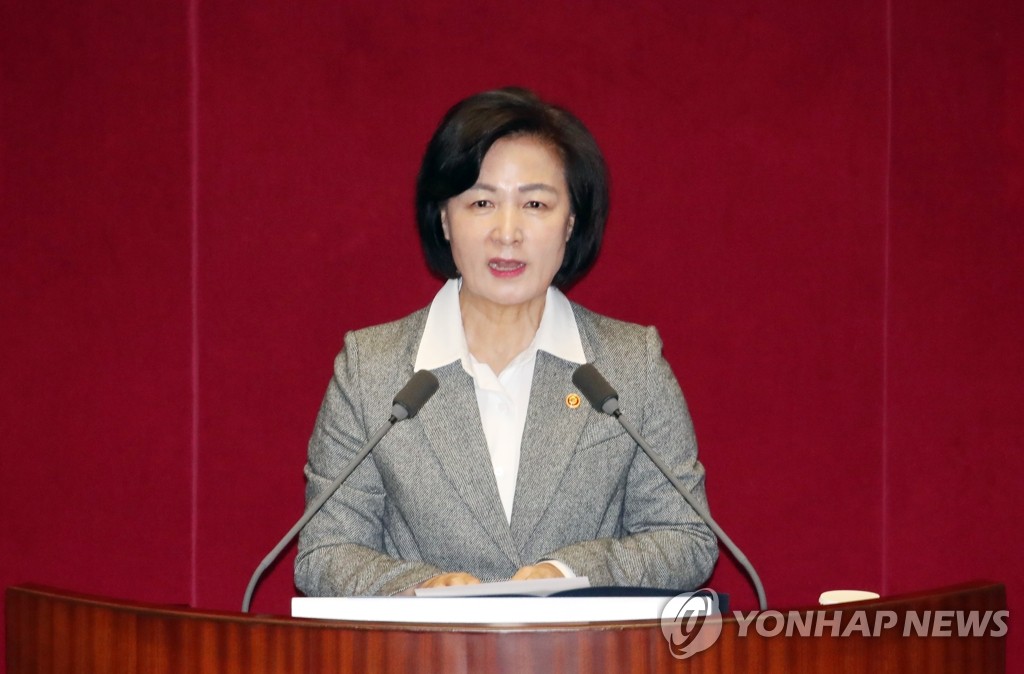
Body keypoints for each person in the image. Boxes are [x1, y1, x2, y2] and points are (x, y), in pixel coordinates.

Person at [294, 87, 718, 597]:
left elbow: (686, 537)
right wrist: (421, 589)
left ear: (571, 221)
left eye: (535, 204)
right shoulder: (371, 370)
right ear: (445, 218)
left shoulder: (629, 366)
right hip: (424, 643)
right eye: (482, 203)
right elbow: (325, 550)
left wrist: (569, 573)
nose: (507, 232)